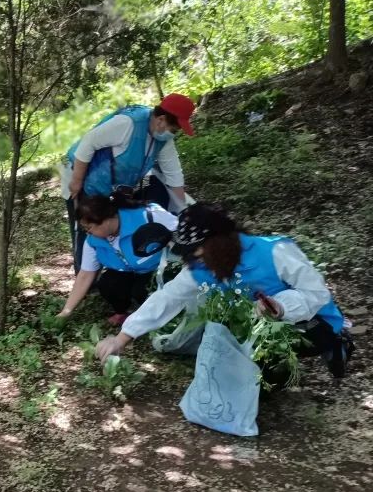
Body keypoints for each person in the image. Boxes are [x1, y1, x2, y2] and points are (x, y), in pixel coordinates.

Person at [95, 202, 354, 381]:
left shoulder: (274, 252)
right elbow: (167, 298)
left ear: (220, 243)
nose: (195, 260)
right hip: (254, 325)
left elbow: (316, 295)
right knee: (243, 375)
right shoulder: (202, 265)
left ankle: (334, 343)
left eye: (198, 252)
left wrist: (281, 306)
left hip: (307, 321)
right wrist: (122, 338)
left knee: (282, 362)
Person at [63, 93, 196, 271]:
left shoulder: (162, 140)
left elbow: (174, 175)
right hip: (82, 176)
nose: (174, 134)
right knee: (87, 228)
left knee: (108, 225)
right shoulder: (127, 124)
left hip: (111, 186)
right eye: (174, 129)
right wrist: (76, 181)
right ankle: (85, 276)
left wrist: (182, 211)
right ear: (161, 119)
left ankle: (115, 266)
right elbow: (88, 143)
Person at [57, 193, 178, 326]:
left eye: (89, 228)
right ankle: (123, 311)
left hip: (159, 268)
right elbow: (85, 275)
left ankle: (166, 314)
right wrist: (66, 311)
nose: (88, 234)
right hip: (130, 271)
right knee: (107, 283)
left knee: (142, 292)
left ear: (106, 220)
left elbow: (181, 233)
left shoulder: (148, 215)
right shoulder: (93, 241)